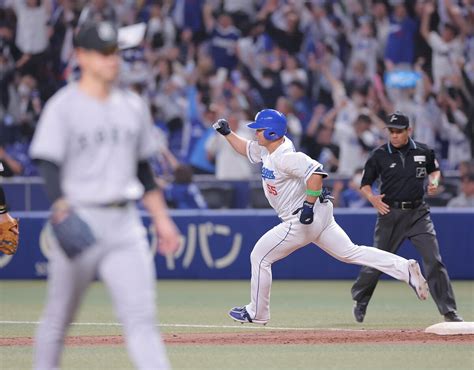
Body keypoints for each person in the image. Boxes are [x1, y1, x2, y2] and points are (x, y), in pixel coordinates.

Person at [29, 21, 180, 369]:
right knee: (58, 319)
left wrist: (162, 219)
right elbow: (48, 163)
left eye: (114, 52)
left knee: (142, 320)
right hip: (81, 216)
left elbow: (143, 171)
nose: (112, 60)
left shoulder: (132, 105)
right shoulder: (63, 106)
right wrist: (62, 207)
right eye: (103, 52)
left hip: (125, 224)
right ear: (81, 56)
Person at [212, 108, 429, 325]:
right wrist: (227, 133)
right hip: (319, 216)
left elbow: (316, 174)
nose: (255, 134)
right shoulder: (269, 149)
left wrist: (308, 205)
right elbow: (246, 148)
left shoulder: (285, 157)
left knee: (260, 256)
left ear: (270, 133)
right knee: (350, 252)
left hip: (301, 219)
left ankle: (257, 313)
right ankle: (405, 268)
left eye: (258, 130)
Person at [351, 112, 463, 323]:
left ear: (408, 131)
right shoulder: (379, 154)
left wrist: (434, 183)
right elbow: (365, 184)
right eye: (391, 131)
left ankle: (449, 310)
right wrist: (372, 198)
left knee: (433, 260)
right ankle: (361, 300)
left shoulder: (424, 150)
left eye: (398, 131)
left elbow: (435, 171)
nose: (394, 135)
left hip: (418, 213)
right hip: (389, 214)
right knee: (377, 262)